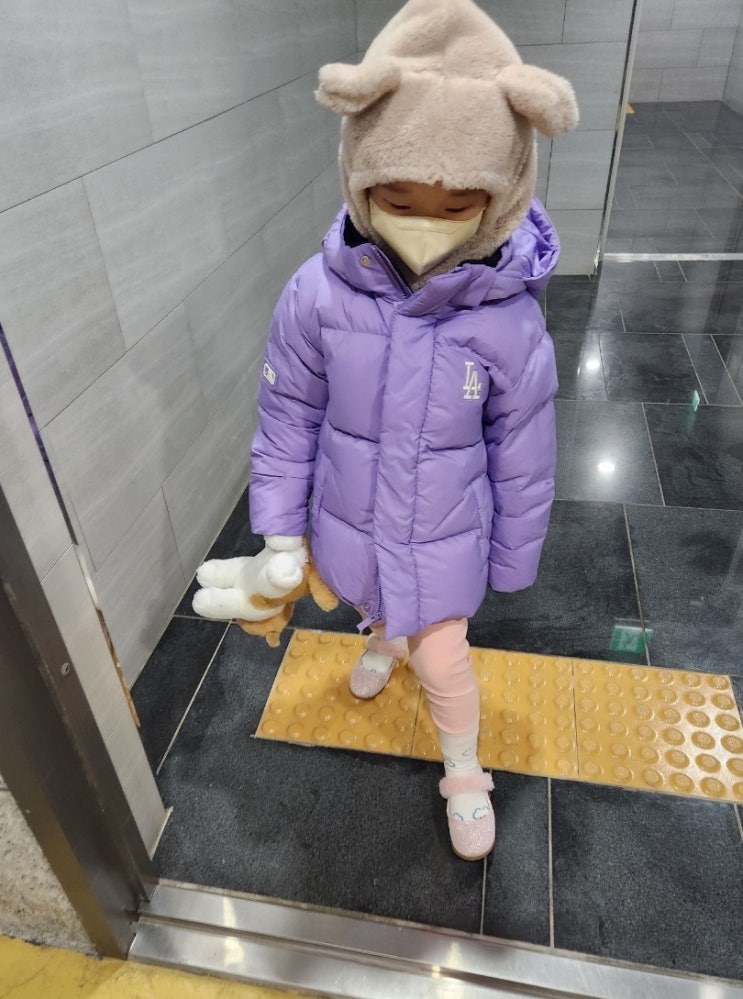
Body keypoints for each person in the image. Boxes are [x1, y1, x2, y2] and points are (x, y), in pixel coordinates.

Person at [195, 0, 578, 861]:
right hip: (352, 521)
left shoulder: (507, 322)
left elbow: (523, 453)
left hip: (443, 537)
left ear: (498, 197)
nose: (422, 221)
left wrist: (512, 556)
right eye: (397, 198)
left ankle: (464, 769)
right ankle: (381, 635)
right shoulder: (317, 294)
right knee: (369, 602)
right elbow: (287, 414)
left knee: (444, 661)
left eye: (455, 204)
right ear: (359, 179)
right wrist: (280, 529)